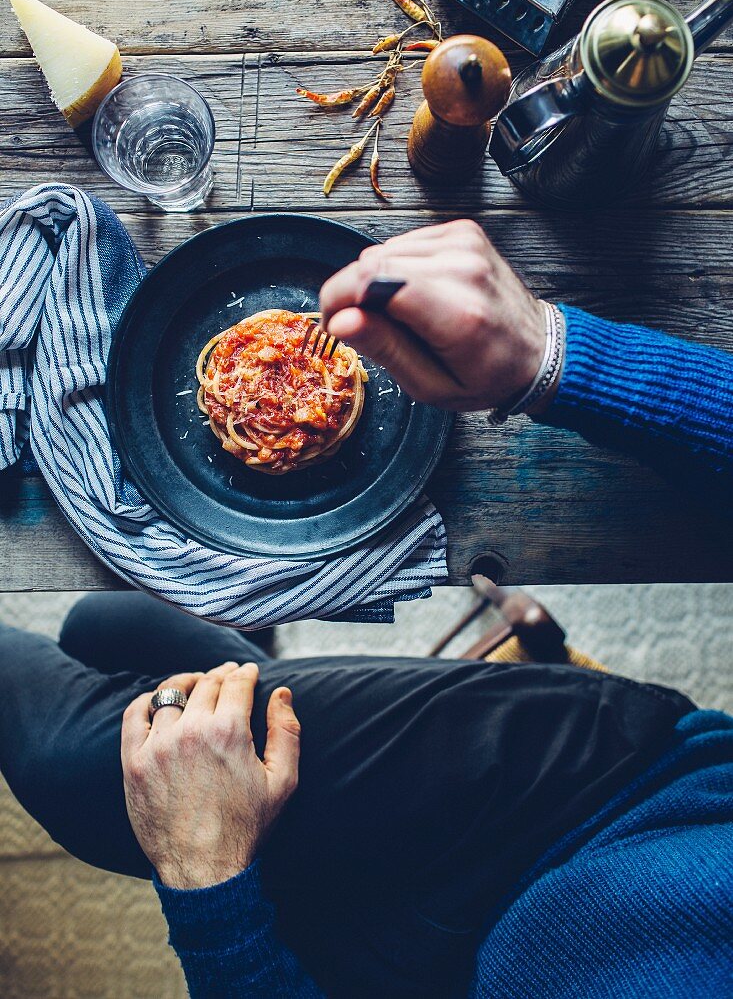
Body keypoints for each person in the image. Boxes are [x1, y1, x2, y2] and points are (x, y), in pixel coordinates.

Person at [0, 221, 731, 998]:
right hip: (595, 805)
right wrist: (553, 358)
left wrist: (209, 885)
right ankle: (262, 681)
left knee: (85, 727)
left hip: (422, 965)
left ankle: (259, 676)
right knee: (108, 644)